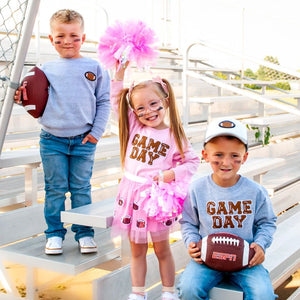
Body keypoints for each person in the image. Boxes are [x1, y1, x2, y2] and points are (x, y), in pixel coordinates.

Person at [14, 9, 110, 255]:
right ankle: (54, 233)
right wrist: (20, 98)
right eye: (61, 36)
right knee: (55, 189)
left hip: (84, 140)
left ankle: (85, 233)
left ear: (84, 37)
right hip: (52, 140)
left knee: (81, 189)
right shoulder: (45, 68)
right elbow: (31, 97)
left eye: (74, 36)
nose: (67, 41)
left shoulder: (95, 67)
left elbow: (104, 101)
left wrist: (96, 133)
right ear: (50, 39)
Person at [110, 63, 200, 300]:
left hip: (155, 200)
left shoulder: (174, 135)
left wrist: (172, 174)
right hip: (131, 197)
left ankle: (168, 291)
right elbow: (115, 102)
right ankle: (138, 293)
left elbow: (192, 162)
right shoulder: (133, 127)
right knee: (136, 250)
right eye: (140, 107)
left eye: (153, 103)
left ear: (166, 102)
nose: (148, 111)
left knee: (162, 249)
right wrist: (118, 76)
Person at [177, 117, 277, 299]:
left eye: (234, 156)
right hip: (206, 259)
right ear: (205, 155)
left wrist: (260, 245)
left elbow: (267, 222)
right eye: (218, 155)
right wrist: (191, 242)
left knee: (263, 294)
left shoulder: (255, 191)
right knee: (188, 288)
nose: (226, 162)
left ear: (244, 157)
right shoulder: (197, 189)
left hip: (246, 259)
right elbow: (188, 222)